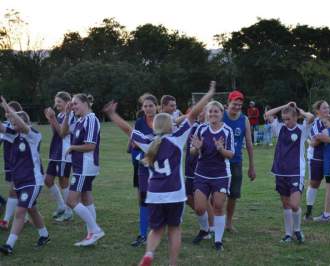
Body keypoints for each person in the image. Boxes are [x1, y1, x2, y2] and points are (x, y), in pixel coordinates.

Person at [103, 82, 215, 266]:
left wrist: (113, 114)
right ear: (171, 125)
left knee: (155, 230)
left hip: (154, 194)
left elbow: (128, 130)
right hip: (175, 193)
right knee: (174, 229)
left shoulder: (149, 141)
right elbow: (194, 114)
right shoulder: (178, 139)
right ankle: (172, 263)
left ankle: (149, 254)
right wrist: (209, 94)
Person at [0, 97, 50, 255]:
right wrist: (7, 113)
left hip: (32, 181)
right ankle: (44, 235)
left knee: (20, 212)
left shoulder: (34, 135)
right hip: (19, 181)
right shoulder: (14, 135)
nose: (13, 126)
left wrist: (7, 107)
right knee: (32, 209)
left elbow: (21, 125)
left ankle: (9, 245)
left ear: (25, 122)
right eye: (12, 124)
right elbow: (2, 128)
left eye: (16, 123)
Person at [265, 102, 313, 244]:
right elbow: (268, 114)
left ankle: (297, 229)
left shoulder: (302, 129)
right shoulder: (279, 128)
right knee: (286, 205)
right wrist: (284, 106)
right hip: (280, 172)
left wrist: (299, 110)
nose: (285, 122)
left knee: (294, 204)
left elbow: (311, 117)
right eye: (284, 119)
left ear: (296, 118)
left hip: (296, 172)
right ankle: (288, 234)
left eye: (288, 119)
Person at [191, 100, 235, 251]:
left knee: (217, 205)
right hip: (202, 173)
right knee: (199, 208)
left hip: (221, 174)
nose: (213, 114)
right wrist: (197, 148)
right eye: (210, 111)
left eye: (216, 111)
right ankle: (204, 230)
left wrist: (221, 149)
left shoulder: (227, 130)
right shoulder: (201, 129)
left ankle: (218, 241)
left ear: (222, 114)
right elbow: (191, 151)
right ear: (206, 114)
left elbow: (231, 154)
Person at [65, 94, 105, 247]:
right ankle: (92, 235)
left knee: (71, 201)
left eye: (75, 104)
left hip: (85, 166)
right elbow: (64, 131)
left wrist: (72, 147)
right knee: (86, 198)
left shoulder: (91, 119)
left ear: (85, 103)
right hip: (81, 166)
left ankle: (95, 230)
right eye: (72, 104)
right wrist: (68, 113)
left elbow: (90, 145)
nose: (73, 106)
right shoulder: (80, 120)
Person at [304, 100, 330, 221]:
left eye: (328, 108)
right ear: (317, 111)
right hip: (317, 157)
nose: (327, 110)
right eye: (324, 108)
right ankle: (309, 211)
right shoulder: (316, 123)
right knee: (314, 183)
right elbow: (316, 140)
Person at [222, 90, 256, 233]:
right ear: (228, 103)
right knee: (217, 193)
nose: (236, 107)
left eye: (239, 105)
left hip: (236, 161)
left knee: (233, 194)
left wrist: (251, 166)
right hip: (219, 161)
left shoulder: (244, 120)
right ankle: (213, 222)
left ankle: (228, 223)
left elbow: (248, 143)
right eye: (234, 104)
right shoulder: (220, 116)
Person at [130, 93, 157, 247]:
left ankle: (158, 229)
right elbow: (133, 145)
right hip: (144, 167)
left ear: (156, 107)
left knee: (159, 199)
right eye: (145, 106)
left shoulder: (163, 121)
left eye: (151, 106)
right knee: (144, 199)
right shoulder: (139, 123)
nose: (148, 108)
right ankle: (142, 234)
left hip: (160, 169)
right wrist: (141, 157)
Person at [43, 91, 75, 222]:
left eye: (59, 102)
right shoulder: (61, 114)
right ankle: (61, 206)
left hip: (64, 153)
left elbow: (62, 133)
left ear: (67, 102)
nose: (56, 105)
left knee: (63, 182)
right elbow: (55, 130)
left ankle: (69, 212)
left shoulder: (71, 115)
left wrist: (53, 118)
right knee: (48, 180)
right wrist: (50, 118)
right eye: (55, 103)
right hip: (55, 151)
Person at [0, 101, 23, 230]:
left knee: (13, 191)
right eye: (7, 111)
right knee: (17, 192)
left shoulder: (18, 128)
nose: (8, 113)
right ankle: (23, 218)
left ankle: (6, 220)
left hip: (20, 165)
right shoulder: (7, 125)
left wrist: (3, 104)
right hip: (9, 163)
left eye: (11, 111)